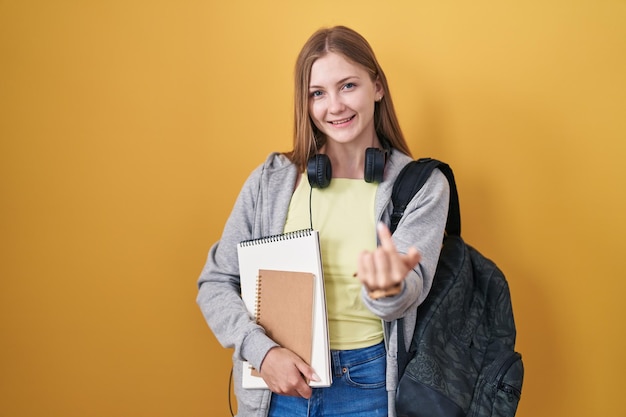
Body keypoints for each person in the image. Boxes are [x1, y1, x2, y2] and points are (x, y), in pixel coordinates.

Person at [197, 25, 450, 417]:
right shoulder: (273, 179)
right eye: (318, 93)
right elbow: (215, 282)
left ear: (377, 87)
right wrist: (261, 353)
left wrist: (388, 288)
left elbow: (406, 294)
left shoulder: (421, 186)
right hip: (278, 385)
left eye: (348, 85)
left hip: (368, 386)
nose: (334, 106)